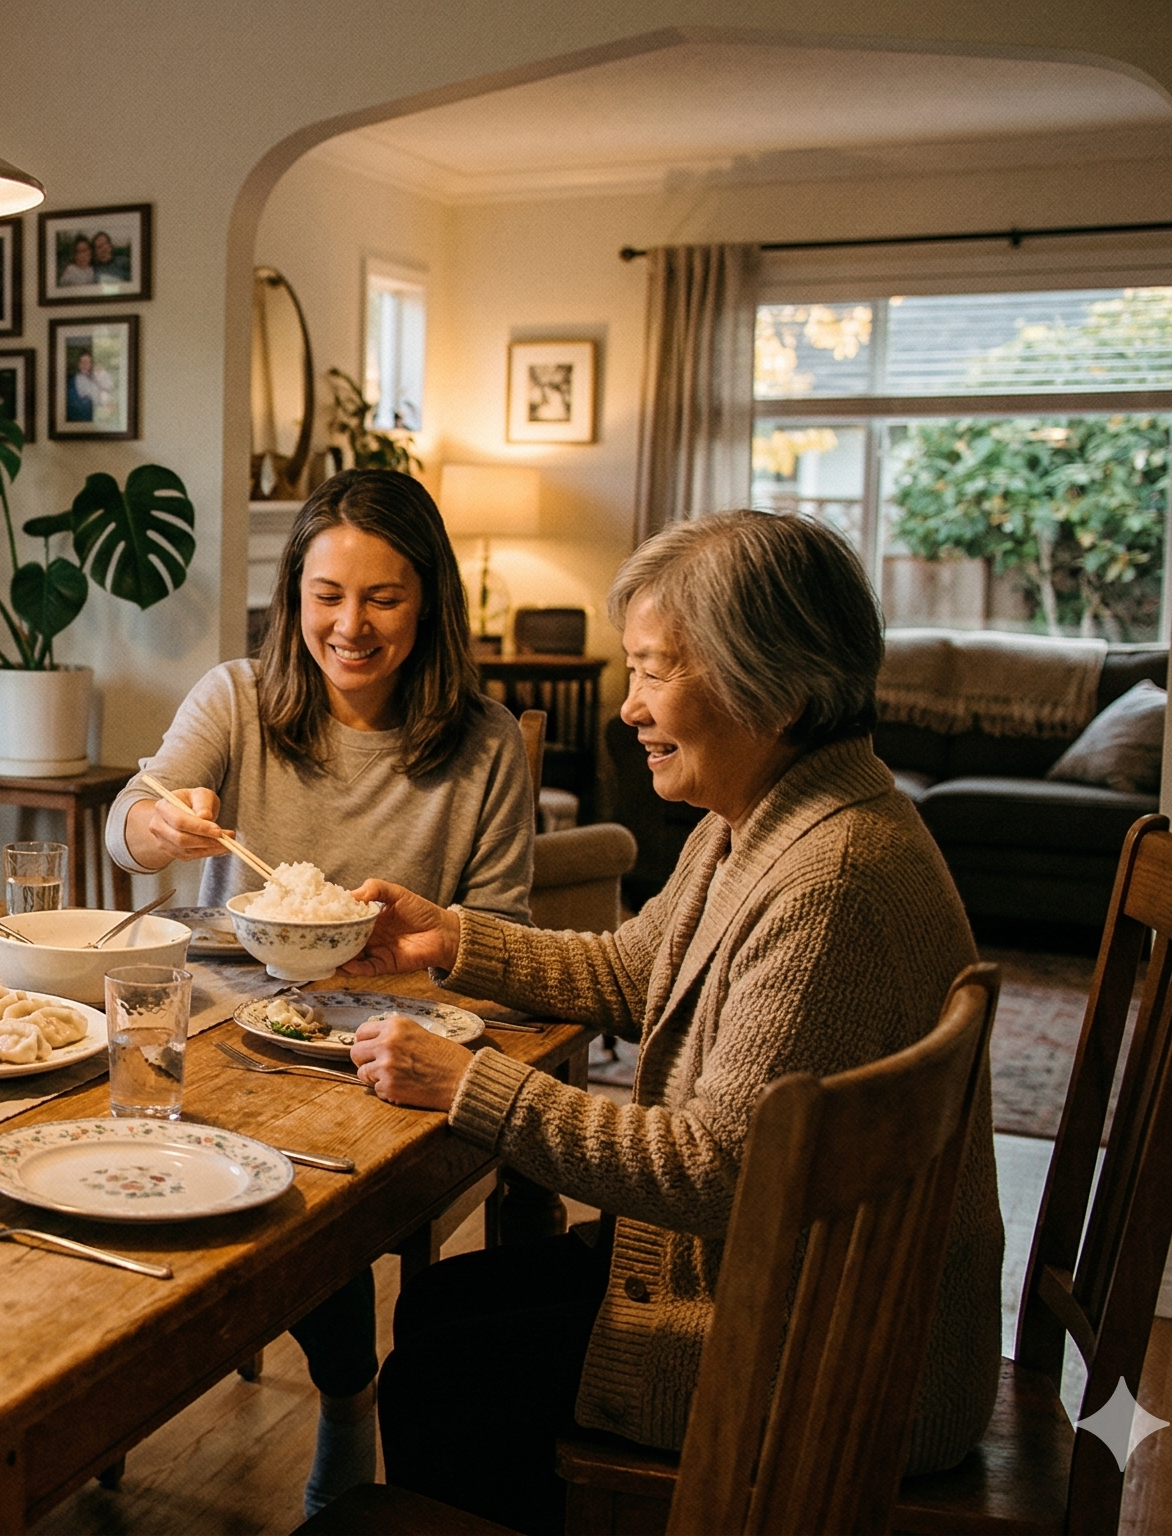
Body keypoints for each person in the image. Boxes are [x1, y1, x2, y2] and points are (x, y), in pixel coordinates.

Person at [345, 510, 1000, 1535]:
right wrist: (448, 941)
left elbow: (714, 1171)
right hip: (808, 1294)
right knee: (437, 1312)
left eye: (653, 671)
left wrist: (471, 1086)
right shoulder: (768, 814)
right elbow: (634, 966)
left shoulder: (832, 879)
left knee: (448, 1372)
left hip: (822, 1354)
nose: (626, 708)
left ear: (775, 687)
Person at [106, 467, 535, 1516]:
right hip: (216, 1006)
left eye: (381, 598)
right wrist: (154, 831)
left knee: (312, 1184)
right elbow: (130, 821)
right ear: (290, 595)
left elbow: (510, 938)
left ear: (427, 599)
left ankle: (345, 1400)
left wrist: (415, 947)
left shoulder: (485, 744)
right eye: (325, 595)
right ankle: (104, 1402)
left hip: (386, 1023)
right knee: (119, 1138)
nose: (349, 626)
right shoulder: (237, 699)